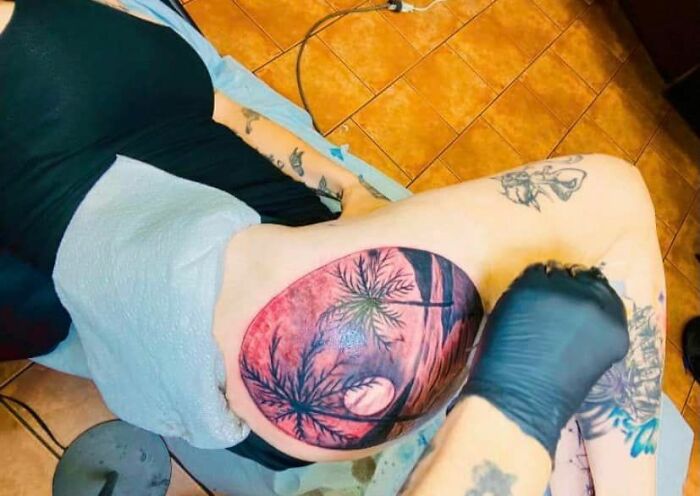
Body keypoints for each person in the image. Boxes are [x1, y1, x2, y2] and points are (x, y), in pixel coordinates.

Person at [0, 1, 666, 494]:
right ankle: (503, 434)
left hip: (277, 378)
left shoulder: (135, 14)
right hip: (225, 299)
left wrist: (351, 189)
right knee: (611, 197)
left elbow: (229, 112)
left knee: (590, 248)